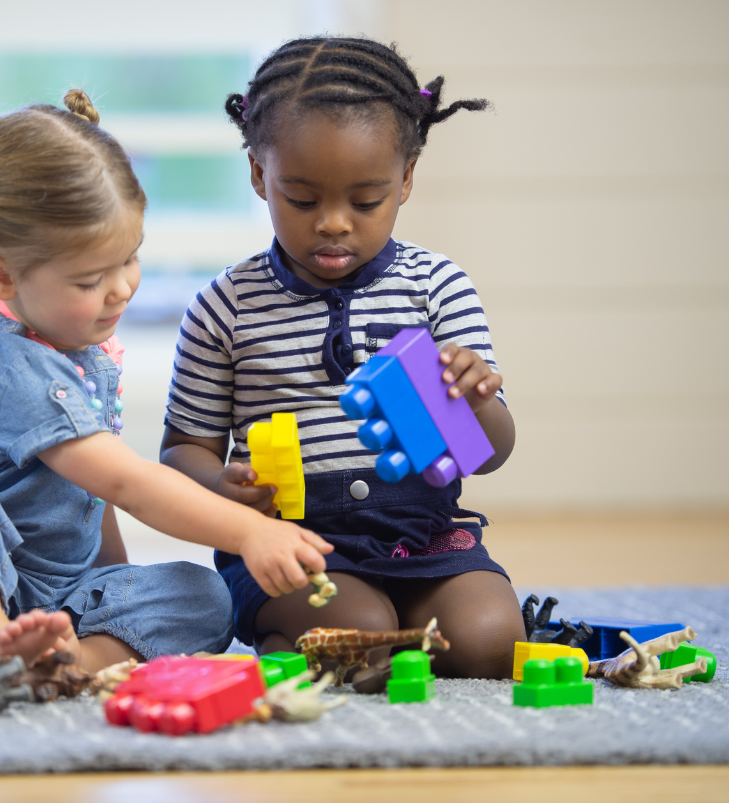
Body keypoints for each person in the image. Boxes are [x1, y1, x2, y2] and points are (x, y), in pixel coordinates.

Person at [0, 90, 331, 676]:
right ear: (1, 275)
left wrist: (113, 591)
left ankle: (69, 662)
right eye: (92, 278)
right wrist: (249, 530)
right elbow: (128, 482)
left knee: (207, 596)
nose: (123, 288)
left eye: (131, 258)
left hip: (46, 600)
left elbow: (94, 497)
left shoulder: (81, 352)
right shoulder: (14, 368)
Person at [160, 38, 525, 680]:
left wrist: (475, 403)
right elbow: (182, 450)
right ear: (257, 174)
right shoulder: (226, 306)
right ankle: (312, 629)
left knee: (491, 643)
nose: (333, 223)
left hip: (427, 533)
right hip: (291, 545)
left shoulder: (437, 286)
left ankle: (393, 622)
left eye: (365, 201)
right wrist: (223, 488)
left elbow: (490, 453)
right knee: (362, 637)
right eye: (302, 200)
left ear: (405, 179)